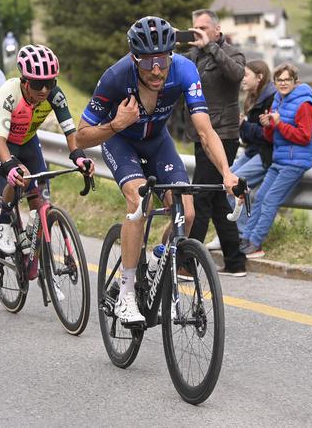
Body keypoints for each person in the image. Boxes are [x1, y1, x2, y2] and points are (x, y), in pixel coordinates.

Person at [76, 16, 239, 325]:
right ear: (134, 58)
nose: (156, 70)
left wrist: (226, 173)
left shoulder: (184, 70)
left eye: (162, 60)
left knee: (187, 214)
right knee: (141, 202)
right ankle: (126, 292)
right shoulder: (115, 77)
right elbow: (81, 136)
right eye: (147, 62)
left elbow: (205, 130)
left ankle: (155, 260)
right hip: (121, 141)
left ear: (171, 55)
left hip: (158, 143)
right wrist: (116, 124)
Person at [0, 44, 94, 260]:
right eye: (37, 84)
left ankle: (35, 254)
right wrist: (10, 166)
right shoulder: (9, 92)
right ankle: (4, 222)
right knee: (21, 177)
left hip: (27, 142)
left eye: (49, 83)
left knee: (42, 199)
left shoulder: (54, 95)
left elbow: (70, 131)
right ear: (25, 82)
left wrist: (78, 156)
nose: (44, 90)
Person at [183, 8, 247, 277]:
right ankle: (235, 262)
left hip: (223, 134)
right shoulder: (193, 56)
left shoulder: (231, 53)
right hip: (202, 135)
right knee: (220, 200)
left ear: (217, 31)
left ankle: (187, 262)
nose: (198, 32)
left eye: (203, 28)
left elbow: (236, 75)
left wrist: (211, 48)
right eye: (194, 28)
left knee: (202, 198)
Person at [243, 63, 312, 259]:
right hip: (279, 159)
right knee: (258, 197)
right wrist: (267, 125)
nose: (283, 83)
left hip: (295, 162)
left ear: (295, 81)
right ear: (274, 83)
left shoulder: (304, 104)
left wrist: (279, 124)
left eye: (287, 80)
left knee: (270, 201)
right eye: (279, 80)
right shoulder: (277, 101)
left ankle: (256, 244)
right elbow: (270, 137)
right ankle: (246, 238)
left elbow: (304, 136)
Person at [207, 60, 276, 250]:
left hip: (264, 155)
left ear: (259, 77)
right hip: (252, 151)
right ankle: (229, 232)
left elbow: (267, 136)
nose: (242, 79)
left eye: (246, 75)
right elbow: (248, 135)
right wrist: (243, 126)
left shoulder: (270, 98)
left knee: (236, 185)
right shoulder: (252, 98)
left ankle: (239, 234)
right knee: (225, 181)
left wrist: (244, 125)